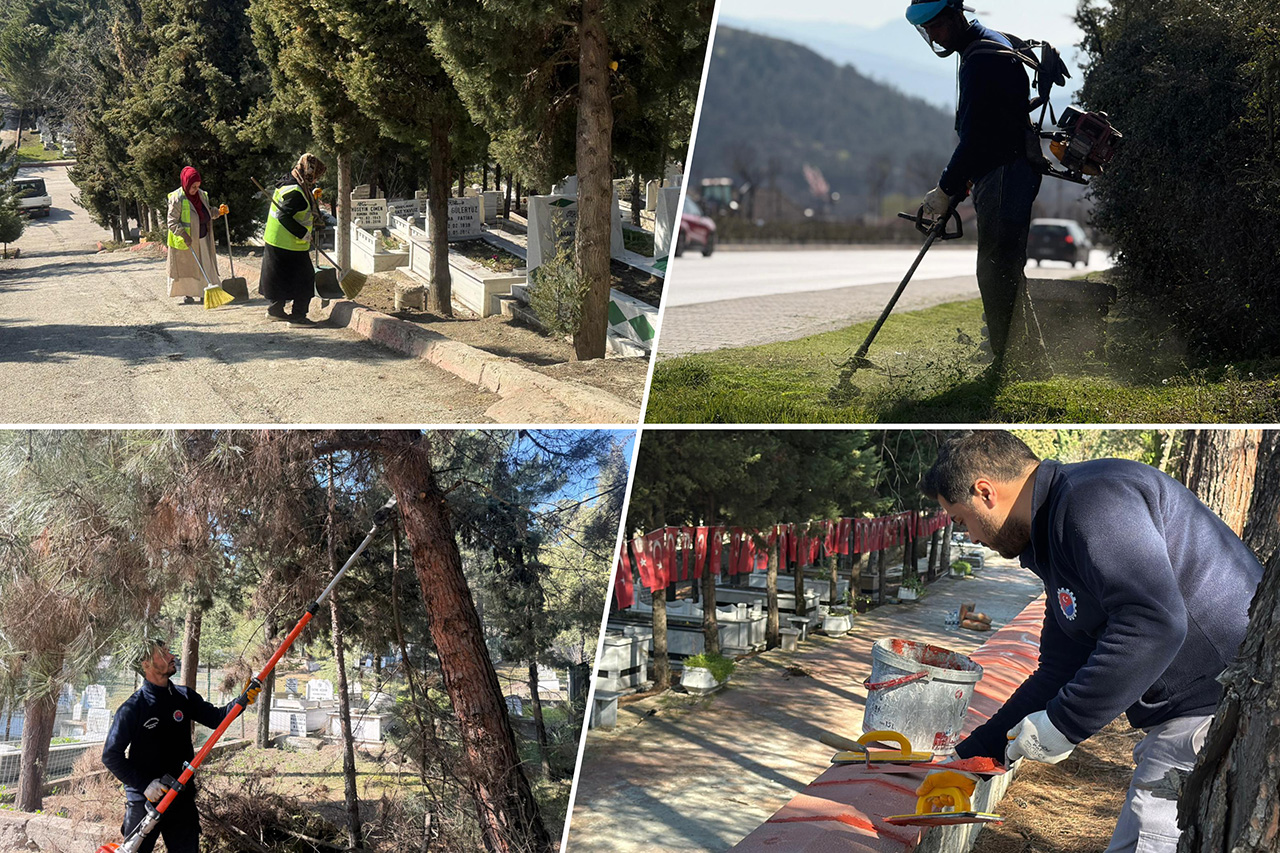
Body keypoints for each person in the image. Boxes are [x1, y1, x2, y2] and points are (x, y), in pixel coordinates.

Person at [919, 431, 1263, 853]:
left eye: (959, 520)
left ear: (985, 492)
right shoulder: (1052, 534)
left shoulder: (1091, 500)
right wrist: (972, 762)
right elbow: (1057, 671)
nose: (969, 536)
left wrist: (1066, 723)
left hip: (1214, 704)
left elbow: (1152, 621)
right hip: (1206, 707)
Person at [905, 0, 1043, 370]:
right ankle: (1025, 354)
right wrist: (964, 182)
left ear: (955, 15)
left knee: (995, 269)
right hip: (1003, 169)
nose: (932, 35)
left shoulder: (981, 58)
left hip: (1004, 171)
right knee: (1006, 267)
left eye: (936, 26)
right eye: (927, 30)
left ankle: (1008, 361)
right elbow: (987, 128)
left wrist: (946, 188)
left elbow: (978, 138)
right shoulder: (980, 47)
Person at [102, 639, 260, 853]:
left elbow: (217, 718)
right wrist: (145, 785)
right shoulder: (133, 708)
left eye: (169, 651)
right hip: (146, 800)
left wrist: (242, 701)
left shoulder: (184, 697)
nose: (172, 656)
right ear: (145, 663)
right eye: (163, 653)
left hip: (180, 796)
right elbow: (111, 755)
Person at [260, 152, 326, 325]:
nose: (316, 180)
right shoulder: (297, 193)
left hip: (275, 239)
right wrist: (304, 233)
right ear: (309, 173)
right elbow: (284, 216)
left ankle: (275, 310)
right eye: (316, 176)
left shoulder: (289, 181)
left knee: (279, 277)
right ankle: (298, 317)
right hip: (291, 242)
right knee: (305, 279)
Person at [167, 167, 228, 305]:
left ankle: (204, 292)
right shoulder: (177, 198)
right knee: (189, 269)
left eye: (198, 186)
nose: (196, 189)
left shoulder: (201, 195)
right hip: (186, 241)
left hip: (203, 237)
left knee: (204, 266)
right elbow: (171, 222)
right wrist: (183, 234)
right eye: (193, 187)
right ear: (186, 183)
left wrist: (218, 211)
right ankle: (188, 294)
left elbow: (206, 212)